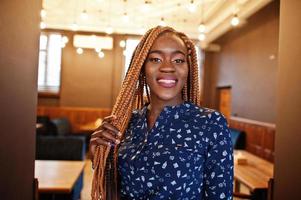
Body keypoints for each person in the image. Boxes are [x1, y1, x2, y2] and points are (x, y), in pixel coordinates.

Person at [90, 26, 233, 200]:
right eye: (156, 59)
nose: (168, 67)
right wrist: (100, 159)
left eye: (178, 60)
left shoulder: (211, 123)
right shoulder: (126, 123)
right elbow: (114, 192)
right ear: (142, 68)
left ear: (188, 69)